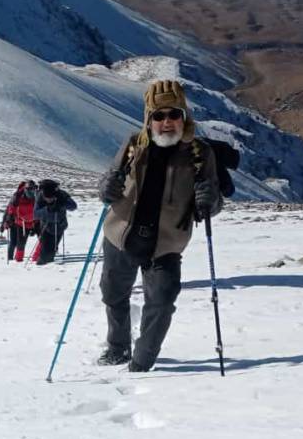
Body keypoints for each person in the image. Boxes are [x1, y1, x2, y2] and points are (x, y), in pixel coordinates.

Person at [96, 79, 223, 372]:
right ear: (149, 119)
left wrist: (210, 200)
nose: (167, 122)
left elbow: (213, 203)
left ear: (184, 116)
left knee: (162, 302)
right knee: (113, 295)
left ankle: (141, 362)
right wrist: (107, 187)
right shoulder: (133, 144)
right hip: (120, 235)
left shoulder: (200, 153)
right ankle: (117, 347)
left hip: (166, 244)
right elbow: (111, 178)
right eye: (159, 115)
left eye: (174, 114)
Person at [33, 179, 77, 265]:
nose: (49, 200)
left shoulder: (62, 195)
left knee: (52, 249)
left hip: (60, 226)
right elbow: (36, 214)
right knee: (45, 251)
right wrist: (47, 209)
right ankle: (41, 267)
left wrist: (62, 203)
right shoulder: (40, 196)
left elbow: (73, 206)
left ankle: (47, 268)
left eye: (51, 198)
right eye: (47, 198)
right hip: (45, 227)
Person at [1, 180, 37, 262]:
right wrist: (6, 221)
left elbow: (8, 210)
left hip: (16, 221)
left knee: (14, 241)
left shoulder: (18, 195)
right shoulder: (17, 196)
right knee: (15, 241)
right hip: (15, 222)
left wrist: (5, 221)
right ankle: (11, 258)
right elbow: (9, 209)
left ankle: (11, 258)